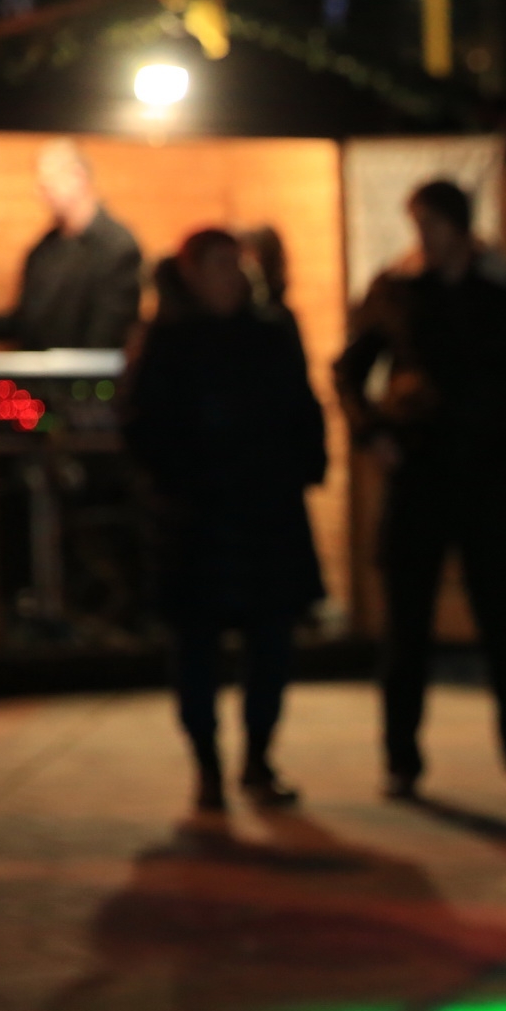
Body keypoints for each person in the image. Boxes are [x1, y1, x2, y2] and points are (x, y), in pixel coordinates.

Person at [333, 180, 506, 802]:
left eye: (430, 224)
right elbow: (350, 369)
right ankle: (401, 759)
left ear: (458, 227)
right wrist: (372, 432)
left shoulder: (502, 291)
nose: (423, 238)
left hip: (486, 478)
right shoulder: (399, 289)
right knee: (406, 624)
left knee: (503, 622)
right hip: (419, 473)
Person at [125, 229, 328, 812]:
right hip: (199, 520)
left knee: (271, 645)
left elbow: (300, 406)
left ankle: (257, 757)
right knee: (196, 648)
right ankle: (208, 765)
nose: (232, 276)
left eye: (236, 264)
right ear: (192, 274)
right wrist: (183, 483)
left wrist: (300, 467)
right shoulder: (169, 341)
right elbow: (145, 427)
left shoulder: (270, 332)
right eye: (219, 264)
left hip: (265, 514)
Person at [0, 138, 142, 350]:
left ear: (78, 177)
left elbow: (107, 337)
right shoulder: (43, 249)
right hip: (42, 368)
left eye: (47, 185)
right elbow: (27, 323)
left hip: (86, 370)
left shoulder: (116, 246)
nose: (40, 194)